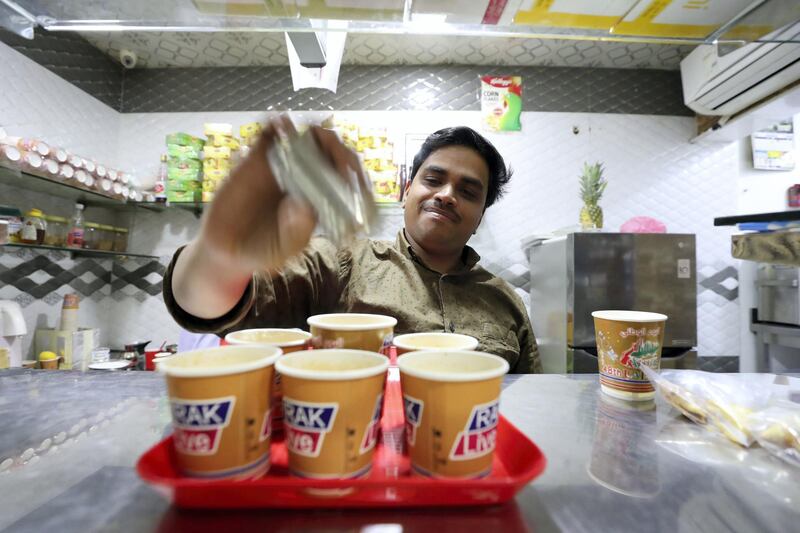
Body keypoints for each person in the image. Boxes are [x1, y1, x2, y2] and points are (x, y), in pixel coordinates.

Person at [163, 117, 541, 373]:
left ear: (480, 217)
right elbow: (206, 302)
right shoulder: (342, 264)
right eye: (434, 179)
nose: (445, 195)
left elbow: (532, 403)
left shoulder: (506, 302)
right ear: (407, 191)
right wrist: (223, 248)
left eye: (468, 191)